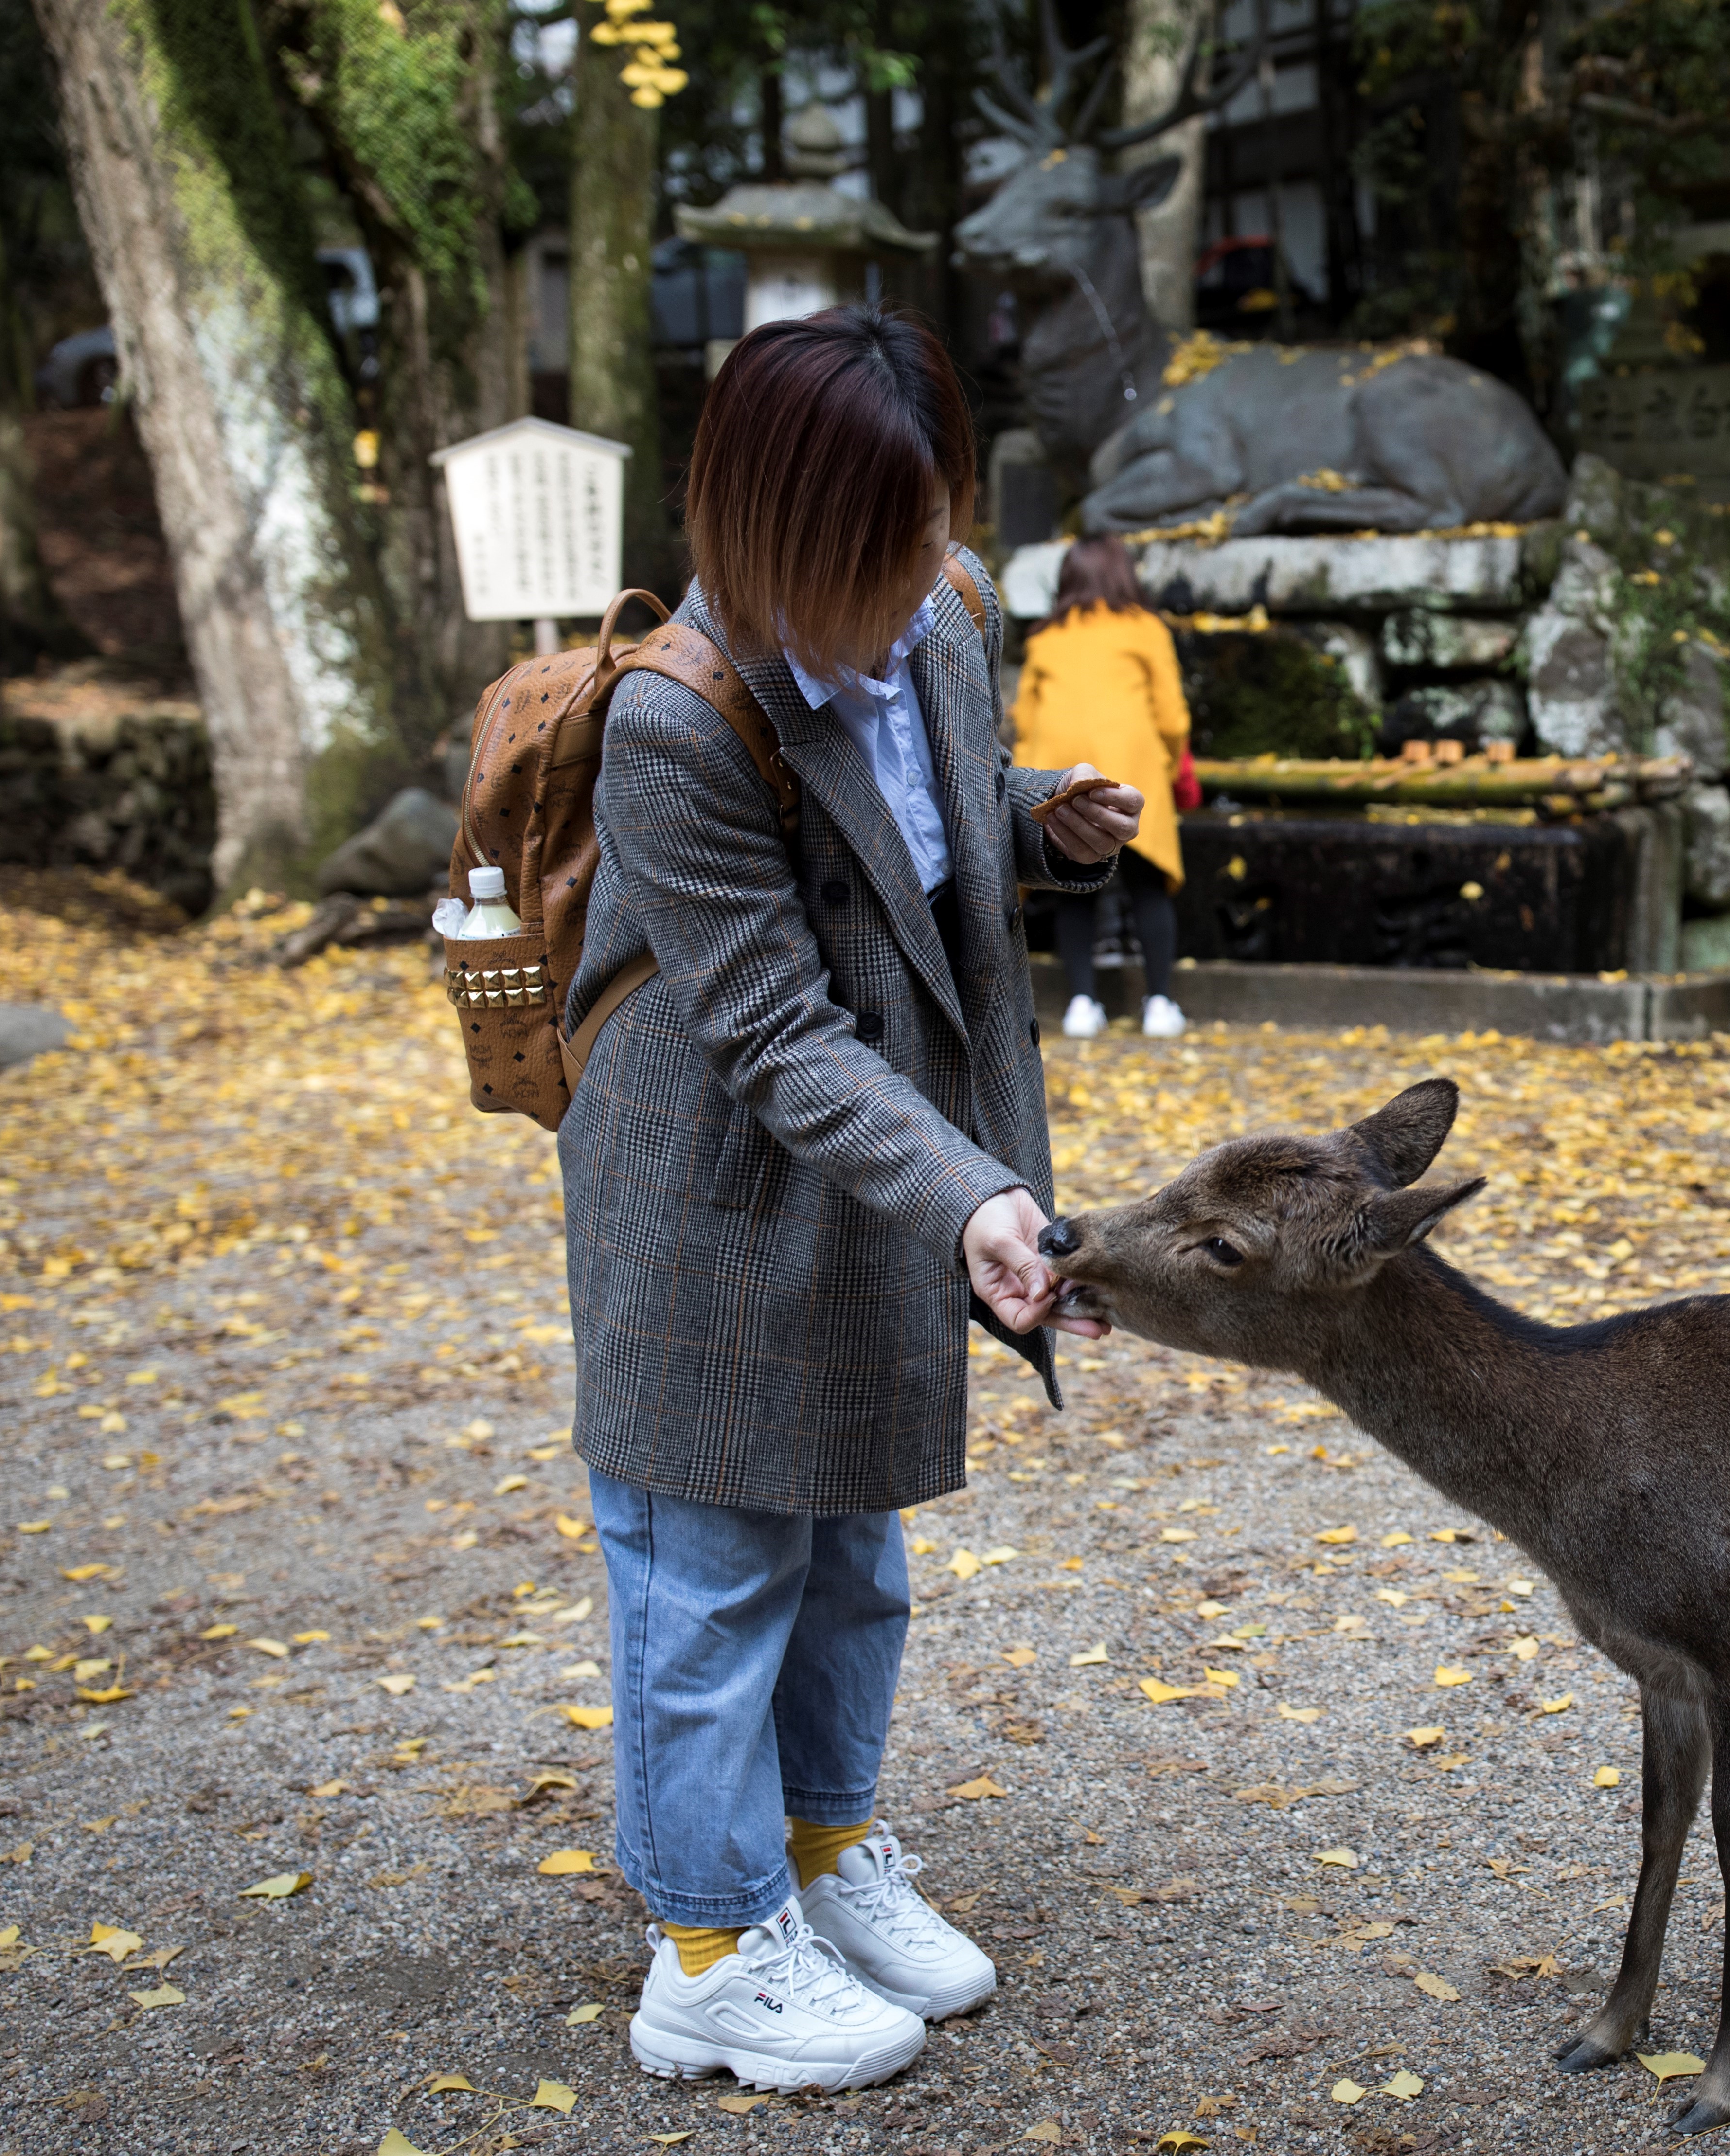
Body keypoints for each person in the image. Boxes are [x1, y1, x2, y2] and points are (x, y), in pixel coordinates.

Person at [555, 306, 1141, 2095]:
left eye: (935, 528)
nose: (926, 572)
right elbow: (773, 1031)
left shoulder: (941, 612)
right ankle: (713, 1946)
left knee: (851, 1548)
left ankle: (817, 1853)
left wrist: (1036, 813)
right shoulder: (673, 715)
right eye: (883, 546)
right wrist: (969, 1191)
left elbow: (918, 804)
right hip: (715, 1185)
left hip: (890, 1154)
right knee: (714, 1561)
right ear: (774, 532)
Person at [1008, 535, 1193, 1040]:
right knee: (1148, 885)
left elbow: (1024, 718)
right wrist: (1172, 766)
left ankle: (1083, 1004)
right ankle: (1159, 1002)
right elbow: (1173, 717)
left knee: (1074, 885)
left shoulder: (1047, 636)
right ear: (1124, 574)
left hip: (1060, 774)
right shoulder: (1146, 628)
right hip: (1132, 770)